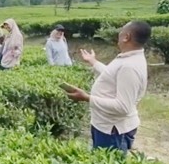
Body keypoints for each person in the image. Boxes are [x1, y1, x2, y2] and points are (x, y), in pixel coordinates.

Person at [61, 20, 151, 153]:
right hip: (106, 126)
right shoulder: (127, 59)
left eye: (121, 32)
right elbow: (111, 75)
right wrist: (93, 62)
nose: (118, 36)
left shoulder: (129, 66)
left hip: (114, 131)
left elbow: (123, 107)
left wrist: (87, 98)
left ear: (127, 37)